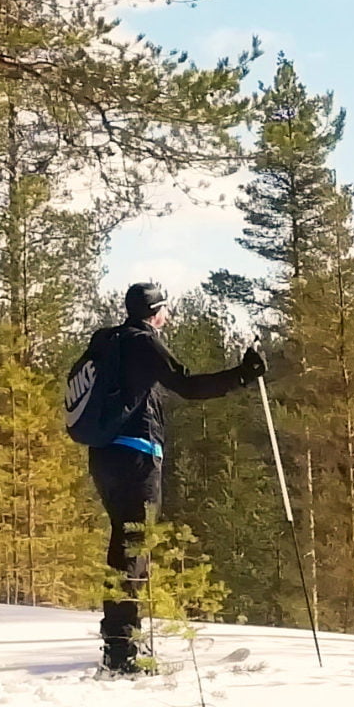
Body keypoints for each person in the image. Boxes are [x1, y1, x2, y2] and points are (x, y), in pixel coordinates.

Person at [79, 280, 264, 674]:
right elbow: (188, 385)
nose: (168, 314)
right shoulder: (143, 342)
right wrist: (243, 375)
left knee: (124, 544)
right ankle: (122, 650)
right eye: (164, 308)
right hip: (136, 456)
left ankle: (120, 639)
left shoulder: (107, 340)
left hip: (103, 455)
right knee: (134, 548)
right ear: (155, 312)